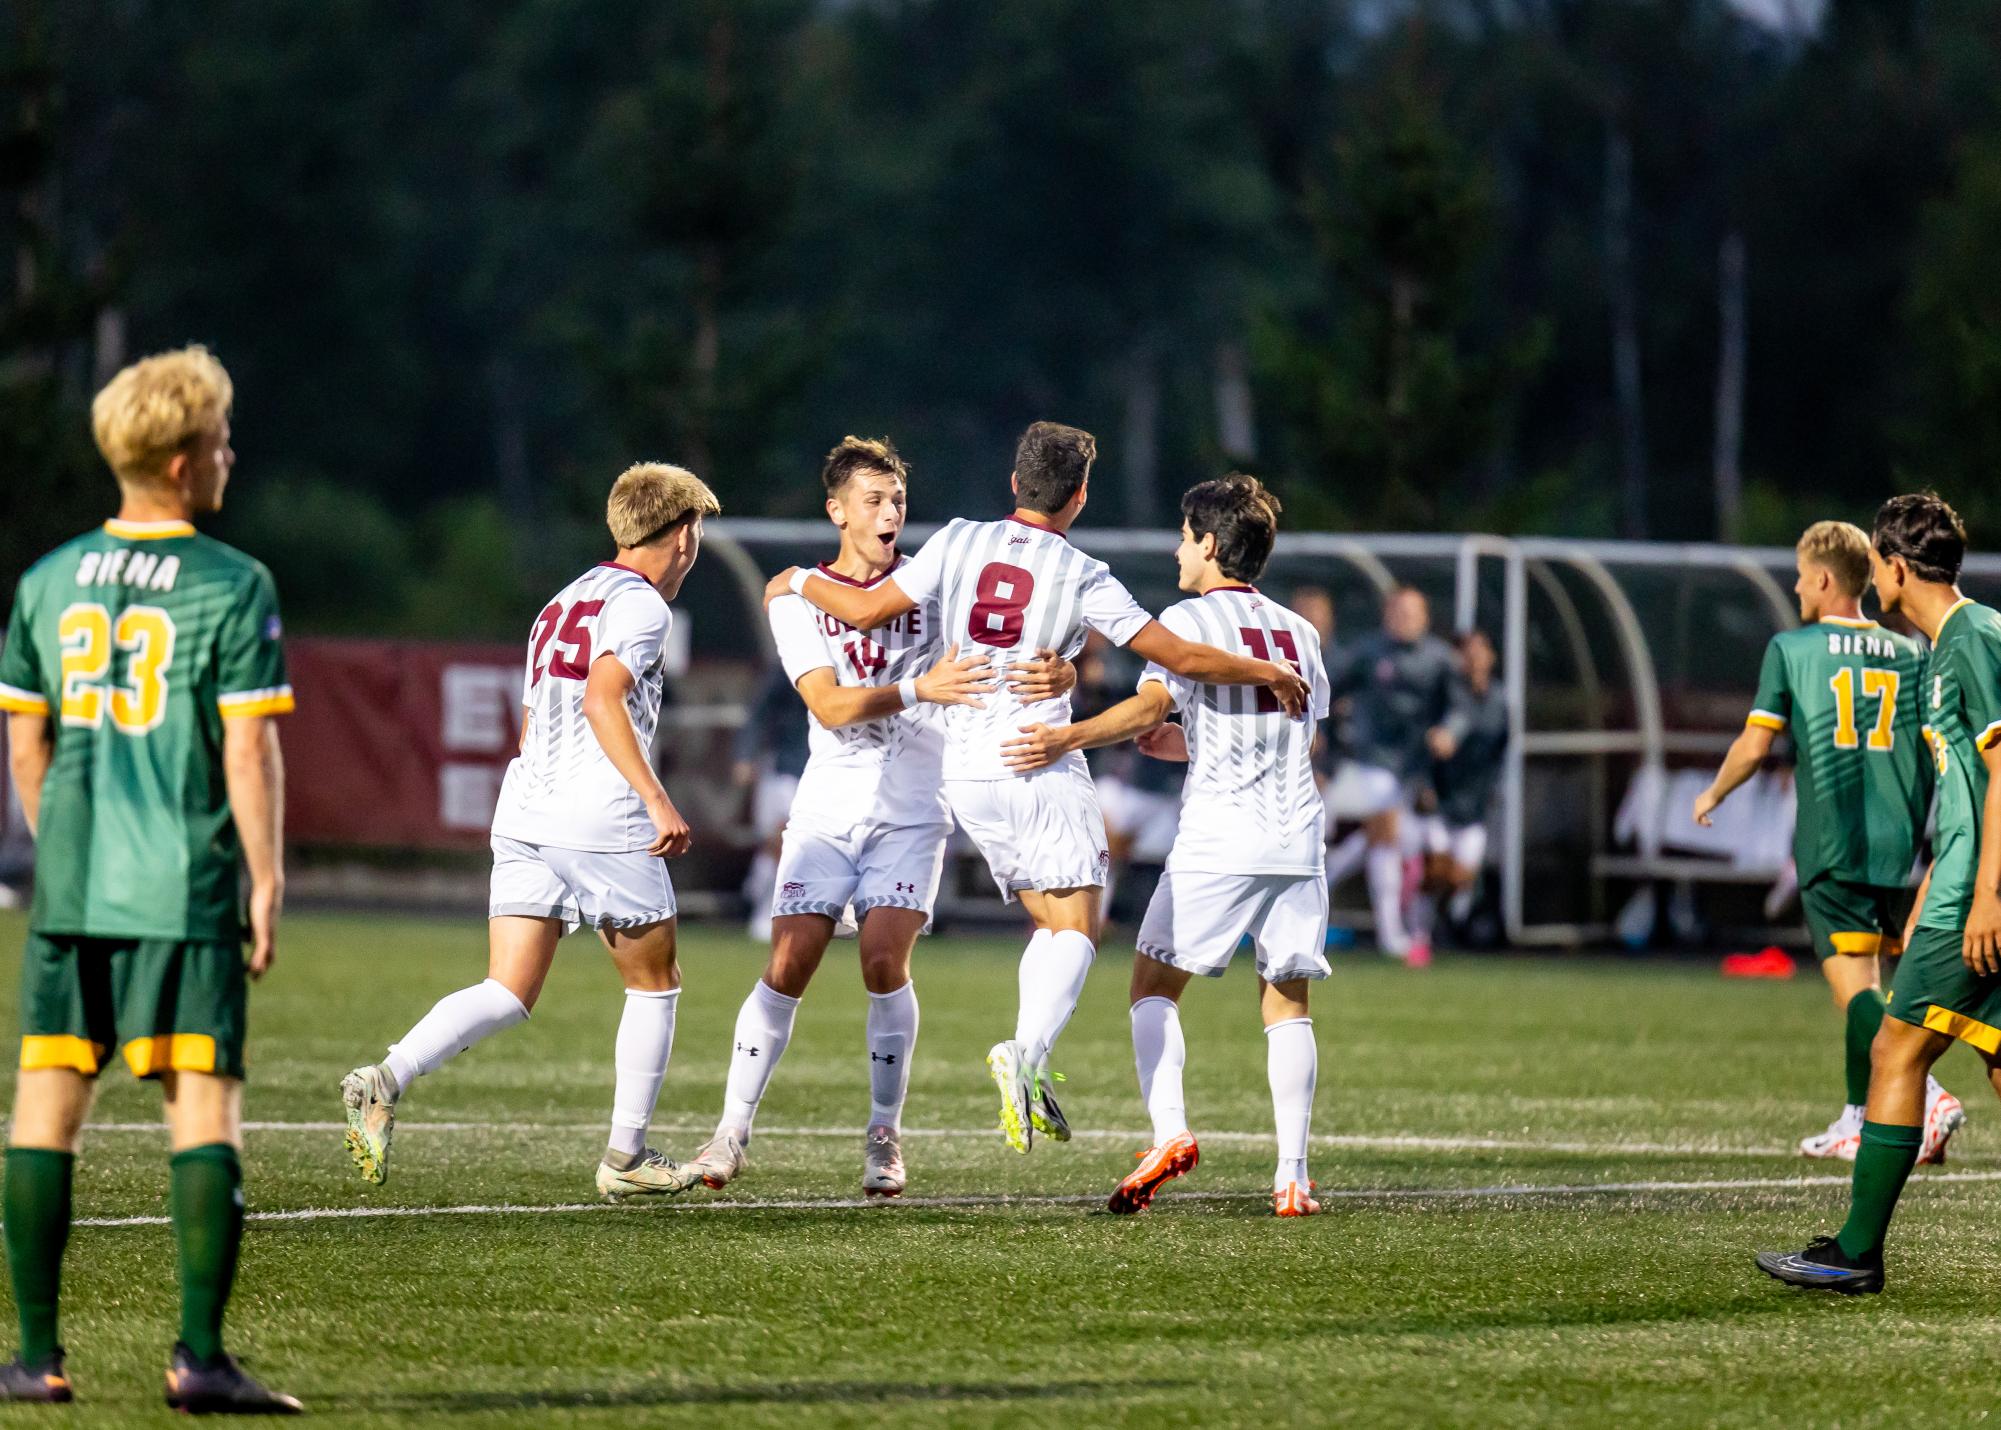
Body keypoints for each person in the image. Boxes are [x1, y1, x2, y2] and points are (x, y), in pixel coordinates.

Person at [765, 421, 1309, 1153]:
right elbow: (1177, 653)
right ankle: (1024, 1056)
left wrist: (797, 579)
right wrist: (1264, 670)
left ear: (1015, 484)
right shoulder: (1083, 572)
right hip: (1039, 755)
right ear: (1078, 496)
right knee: (1081, 926)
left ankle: (1028, 1059)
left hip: (966, 769)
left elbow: (864, 610)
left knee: (1050, 922)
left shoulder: (956, 538)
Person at [0, 346, 301, 1411]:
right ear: (182, 463)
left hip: (72, 889)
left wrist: (66, 847)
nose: (230, 453)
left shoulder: (45, 577)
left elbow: (25, 746)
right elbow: (248, 753)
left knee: (45, 1106)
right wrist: (266, 879)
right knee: (203, 1108)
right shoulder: (232, 581)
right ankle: (198, 1359)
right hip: (182, 885)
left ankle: (36, 1358)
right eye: (219, 438)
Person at [680, 436, 1072, 1197]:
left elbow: (1011, 628)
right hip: (827, 806)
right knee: (788, 963)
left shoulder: (931, 586)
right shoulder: (797, 598)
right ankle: (730, 1131)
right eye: (873, 499)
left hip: (913, 809)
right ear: (836, 511)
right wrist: (921, 689)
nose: (891, 511)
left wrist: (1060, 662)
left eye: (897, 499)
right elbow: (827, 704)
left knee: (883, 961)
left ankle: (884, 1133)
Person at [340, 463, 719, 1204]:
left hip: (526, 808)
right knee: (655, 982)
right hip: (598, 815)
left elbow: (534, 717)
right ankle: (625, 1156)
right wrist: (655, 800)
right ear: (681, 535)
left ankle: (384, 1079)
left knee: (508, 988)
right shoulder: (642, 608)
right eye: (695, 531)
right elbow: (602, 699)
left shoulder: (561, 600)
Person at [1002, 475, 1330, 1217]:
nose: (1179, 549)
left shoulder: (1189, 621)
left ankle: (1170, 1134)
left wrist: (1066, 737)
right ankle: (1291, 1177)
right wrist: (1182, 743)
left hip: (1221, 835)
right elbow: (1282, 731)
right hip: (1298, 839)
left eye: (1186, 536)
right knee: (1286, 1002)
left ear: (1210, 545)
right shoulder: (1299, 633)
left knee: (1150, 989)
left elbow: (1148, 702)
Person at [1758, 494, 2001, 1295]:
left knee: (1894, 1050)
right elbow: (1968, 781)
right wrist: (1939, 864)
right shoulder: (1938, 649)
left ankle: (1856, 1252)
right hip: (1961, 876)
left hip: (1983, 890)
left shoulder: (1969, 639)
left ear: (1894, 569)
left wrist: (1984, 890)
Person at [1696, 520, 1957, 1164]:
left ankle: (1928, 1094)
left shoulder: (1793, 648)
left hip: (1834, 846)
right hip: (1902, 847)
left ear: (1822, 579)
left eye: (1799, 573)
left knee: (1857, 993)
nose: (1793, 584)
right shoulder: (1914, 652)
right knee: (1874, 982)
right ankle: (1855, 1118)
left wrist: (1713, 794)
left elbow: (1756, 745)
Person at [1325, 587, 1457, 961]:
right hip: (1372, 765)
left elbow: (1458, 709)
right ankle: (1393, 933)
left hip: (1419, 775)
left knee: (1420, 851)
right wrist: (1318, 730)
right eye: (1398, 612)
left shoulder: (1440, 660)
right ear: (1387, 616)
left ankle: (1325, 878)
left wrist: (1450, 731)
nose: (1404, 620)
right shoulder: (1368, 653)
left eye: (1412, 613)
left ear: (1425, 617)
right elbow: (1328, 688)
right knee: (1386, 834)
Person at [1413, 629, 1508, 953]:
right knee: (1437, 870)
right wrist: (1424, 783)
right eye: (1467, 654)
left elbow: (1500, 750)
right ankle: (1421, 934)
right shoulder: (1444, 695)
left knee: (1461, 877)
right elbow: (1428, 742)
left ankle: (1447, 926)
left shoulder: (1499, 701)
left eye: (1480, 652)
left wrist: (1495, 787)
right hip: (1441, 799)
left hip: (1475, 803)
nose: (1474, 660)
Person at [732, 663, 811, 941]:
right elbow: (760, 711)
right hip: (786, 768)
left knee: (796, 846)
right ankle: (765, 908)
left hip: (823, 770)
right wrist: (746, 754)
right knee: (778, 842)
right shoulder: (790, 663)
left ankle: (766, 899)